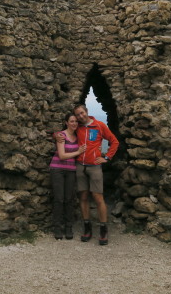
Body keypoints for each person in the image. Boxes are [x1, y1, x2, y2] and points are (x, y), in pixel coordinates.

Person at [73, 104, 119, 245]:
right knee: (84, 196)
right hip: (80, 166)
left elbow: (114, 141)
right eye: (78, 115)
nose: (81, 116)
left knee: (98, 197)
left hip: (95, 166)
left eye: (82, 113)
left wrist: (106, 158)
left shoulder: (99, 126)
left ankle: (103, 229)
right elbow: (66, 134)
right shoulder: (77, 127)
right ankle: (87, 228)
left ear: (86, 111)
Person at [49, 113, 86, 240]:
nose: (74, 123)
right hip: (58, 169)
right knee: (59, 199)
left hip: (70, 170)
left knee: (69, 199)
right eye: (71, 121)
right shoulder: (61, 136)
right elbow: (62, 155)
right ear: (66, 122)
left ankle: (68, 227)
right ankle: (57, 227)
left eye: (76, 121)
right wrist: (78, 152)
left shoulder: (77, 136)